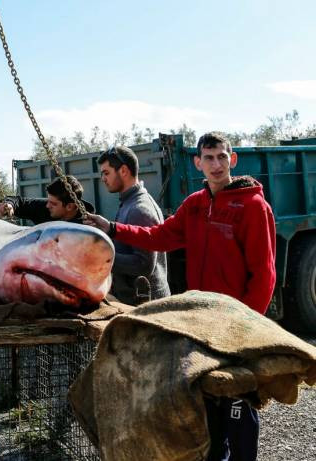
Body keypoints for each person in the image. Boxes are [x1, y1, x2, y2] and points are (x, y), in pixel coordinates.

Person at [84, 132, 276, 461]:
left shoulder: (253, 206)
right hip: (202, 322)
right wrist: (114, 229)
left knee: (239, 400)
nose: (216, 164)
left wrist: (246, 327)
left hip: (236, 327)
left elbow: (264, 274)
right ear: (197, 162)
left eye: (221, 157)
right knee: (208, 399)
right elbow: (161, 236)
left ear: (232, 160)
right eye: (208, 158)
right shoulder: (195, 205)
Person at [97, 146, 170, 304]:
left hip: (146, 308)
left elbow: (144, 265)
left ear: (123, 171)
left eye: (106, 173)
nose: (103, 178)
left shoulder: (139, 209)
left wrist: (102, 258)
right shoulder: (129, 202)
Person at [0, 175, 95, 224]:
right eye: (48, 201)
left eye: (53, 204)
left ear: (70, 206)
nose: (47, 206)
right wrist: (9, 205)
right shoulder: (44, 209)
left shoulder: (87, 225)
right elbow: (20, 202)